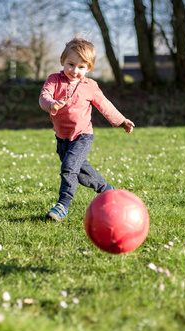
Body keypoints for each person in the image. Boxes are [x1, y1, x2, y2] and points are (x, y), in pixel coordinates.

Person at [39, 36, 135, 221]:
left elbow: (104, 105)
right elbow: (44, 96)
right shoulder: (54, 80)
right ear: (62, 61)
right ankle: (109, 191)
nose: (75, 71)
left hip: (82, 136)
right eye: (71, 64)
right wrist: (51, 104)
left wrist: (121, 120)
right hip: (62, 138)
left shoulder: (90, 86)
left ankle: (62, 205)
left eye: (81, 67)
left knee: (69, 168)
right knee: (82, 174)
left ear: (89, 68)